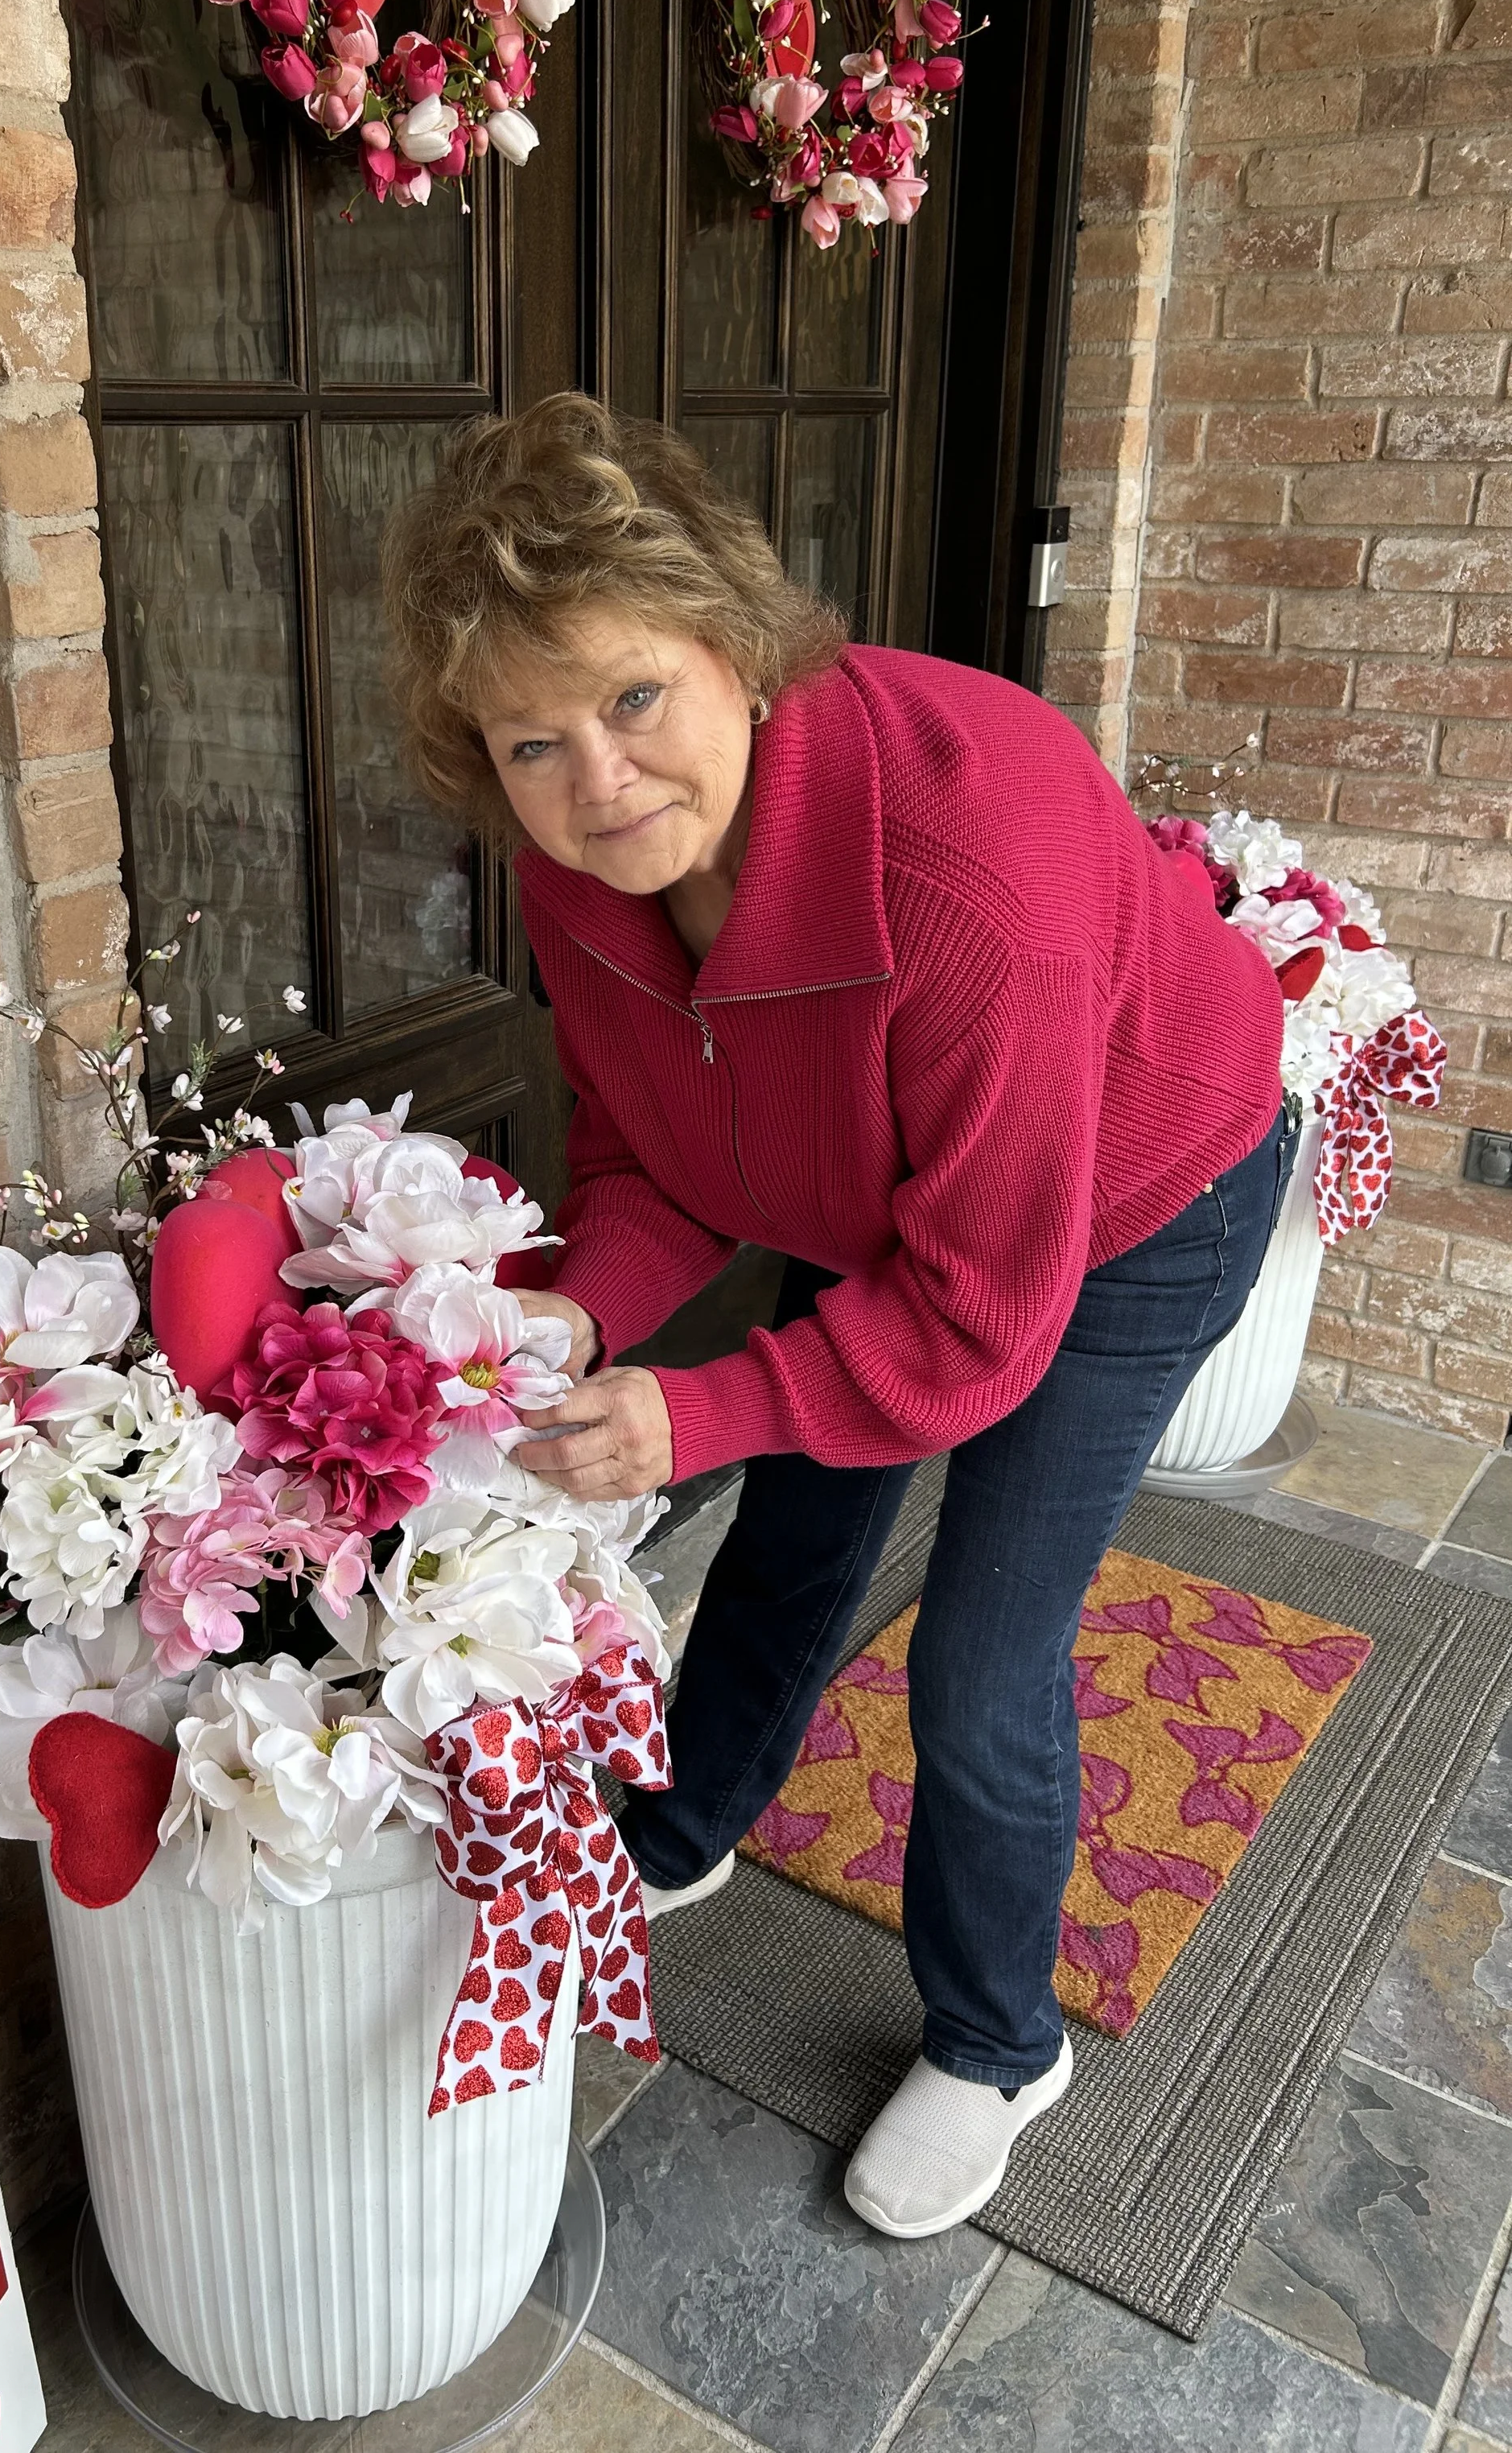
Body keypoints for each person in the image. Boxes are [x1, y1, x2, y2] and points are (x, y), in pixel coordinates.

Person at [381, 393, 1295, 2241]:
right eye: (531, 742)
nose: (597, 779)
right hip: (871, 1172)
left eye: (631, 699)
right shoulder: (585, 867)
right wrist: (577, 1322)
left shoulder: (969, 872)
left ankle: (992, 2035)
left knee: (976, 1649)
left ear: (730, 642)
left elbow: (967, 1321)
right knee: (798, 1514)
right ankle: (689, 1817)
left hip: (1133, 1191)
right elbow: (655, 1157)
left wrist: (693, 1408)